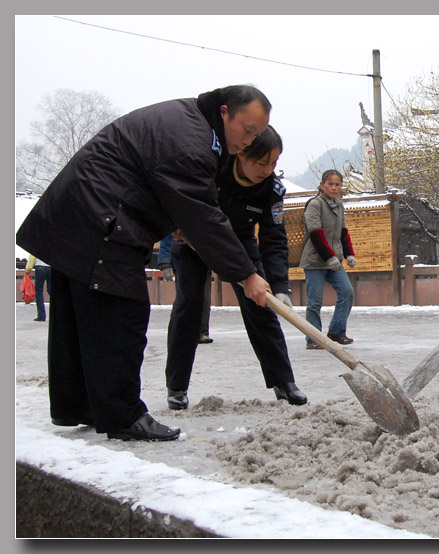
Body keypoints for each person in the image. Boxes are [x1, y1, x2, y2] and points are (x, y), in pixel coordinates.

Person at [16, 85, 273, 441]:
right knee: (124, 312)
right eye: (248, 130)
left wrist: (177, 223)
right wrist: (246, 275)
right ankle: (123, 415)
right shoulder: (191, 139)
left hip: (78, 214)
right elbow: (204, 216)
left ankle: (80, 405)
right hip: (100, 218)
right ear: (226, 112)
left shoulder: (189, 123)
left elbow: (162, 188)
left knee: (82, 316)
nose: (248, 141)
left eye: (257, 135)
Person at [164, 125, 306, 409]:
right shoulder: (214, 168)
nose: (267, 169)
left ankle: (283, 381)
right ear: (241, 153)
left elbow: (274, 241)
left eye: (274, 162)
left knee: (261, 306)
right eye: (261, 162)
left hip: (240, 243)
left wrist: (278, 286)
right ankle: (176, 386)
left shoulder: (271, 190)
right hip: (195, 240)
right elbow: (178, 198)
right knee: (190, 304)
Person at [299, 169, 357, 349]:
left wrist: (348, 254)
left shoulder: (339, 205)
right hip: (316, 261)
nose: (334, 187)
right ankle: (313, 339)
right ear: (322, 184)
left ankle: (336, 333)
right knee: (315, 302)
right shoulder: (315, 204)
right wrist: (329, 256)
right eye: (330, 184)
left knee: (347, 292)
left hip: (334, 260)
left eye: (337, 184)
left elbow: (343, 232)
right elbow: (316, 234)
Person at [158, 234, 213, 344]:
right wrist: (165, 263)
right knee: (185, 299)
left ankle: (201, 331)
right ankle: (183, 332)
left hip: (205, 259)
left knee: (204, 298)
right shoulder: (178, 217)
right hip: (183, 260)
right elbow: (168, 236)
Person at [25, 255, 51, 322]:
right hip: (51, 267)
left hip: (40, 267)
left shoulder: (37, 244)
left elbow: (32, 254)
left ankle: (41, 316)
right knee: (51, 290)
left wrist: (28, 268)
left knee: (38, 291)